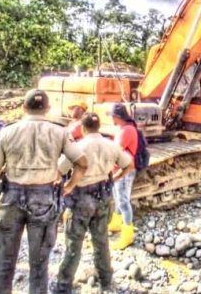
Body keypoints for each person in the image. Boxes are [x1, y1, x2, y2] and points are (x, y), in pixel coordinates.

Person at [0, 89, 88, 294]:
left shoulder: (7, 132)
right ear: (48, 109)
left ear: (24, 107)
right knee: (39, 263)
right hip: (44, 197)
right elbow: (82, 163)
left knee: (5, 261)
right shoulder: (59, 132)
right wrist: (68, 186)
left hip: (11, 198)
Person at [52, 112, 134, 293]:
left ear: (83, 127)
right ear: (99, 127)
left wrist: (66, 187)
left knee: (74, 242)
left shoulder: (78, 147)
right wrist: (116, 178)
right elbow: (129, 165)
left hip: (81, 198)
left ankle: (64, 285)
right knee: (101, 240)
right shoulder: (111, 145)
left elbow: (59, 170)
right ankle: (106, 280)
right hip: (103, 196)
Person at [106, 103, 138, 250]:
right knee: (118, 197)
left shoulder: (126, 131)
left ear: (117, 117)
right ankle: (117, 222)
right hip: (119, 169)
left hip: (124, 170)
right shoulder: (123, 128)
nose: (111, 119)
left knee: (123, 201)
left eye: (112, 116)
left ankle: (127, 234)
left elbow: (116, 151)